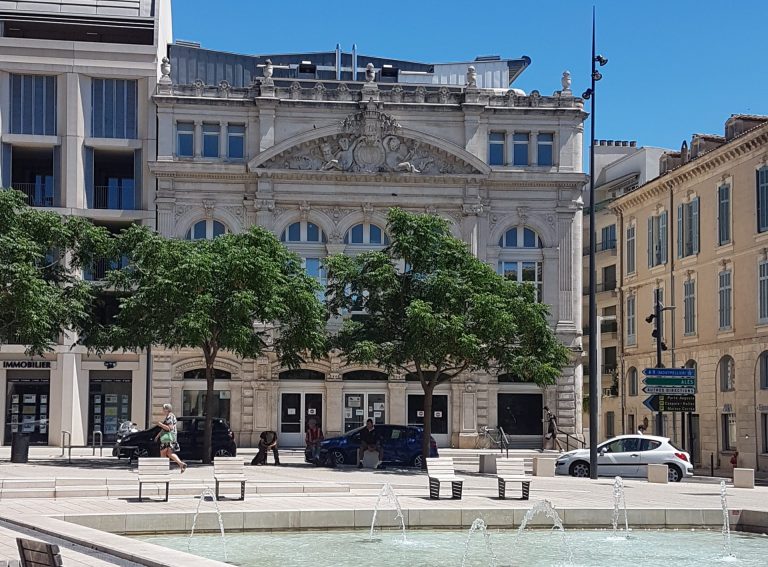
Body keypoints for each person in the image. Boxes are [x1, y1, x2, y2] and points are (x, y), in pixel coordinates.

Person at [155, 403, 186, 473]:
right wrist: (158, 435)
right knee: (169, 453)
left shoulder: (169, 417)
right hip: (171, 437)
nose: (162, 410)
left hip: (168, 438)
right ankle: (181, 464)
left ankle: (163, 469)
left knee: (162, 452)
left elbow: (169, 428)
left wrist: (160, 424)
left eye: (163, 409)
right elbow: (165, 428)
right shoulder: (172, 416)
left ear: (167, 409)